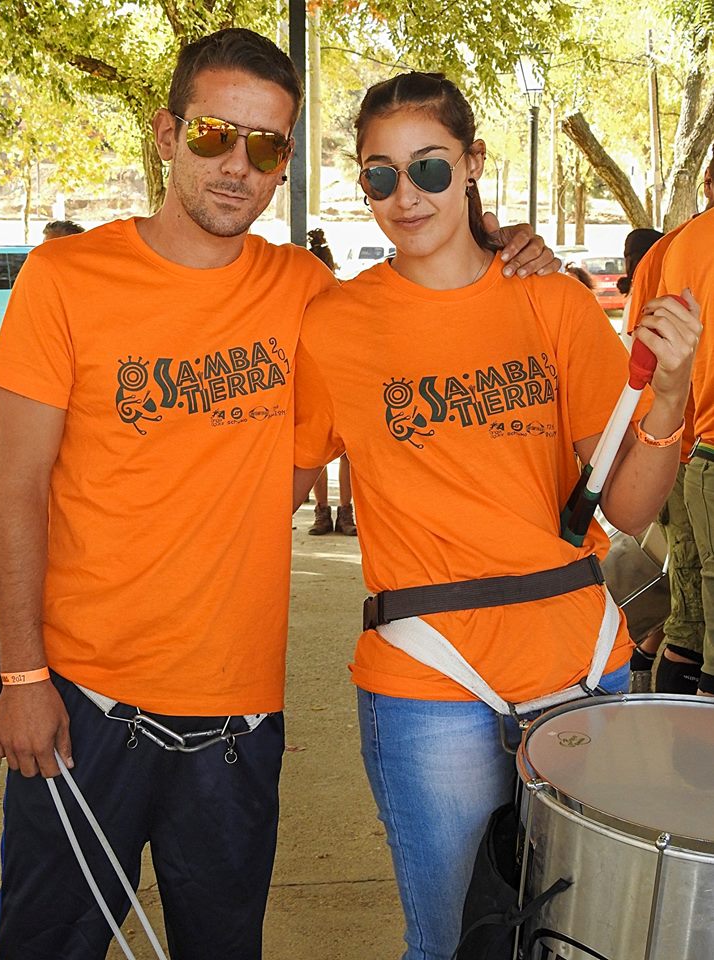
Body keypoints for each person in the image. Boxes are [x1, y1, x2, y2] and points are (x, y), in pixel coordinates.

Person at [0, 29, 557, 960]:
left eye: (267, 147)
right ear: (167, 133)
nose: (237, 167)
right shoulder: (67, 278)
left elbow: (426, 305)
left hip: (238, 719)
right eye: (215, 135)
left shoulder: (305, 291)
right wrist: (22, 677)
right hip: (81, 701)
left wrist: (509, 249)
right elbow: (15, 493)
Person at [292, 71, 700, 960]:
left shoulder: (551, 300)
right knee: (454, 943)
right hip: (429, 678)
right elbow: (268, 483)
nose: (407, 195)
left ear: (473, 163)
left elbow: (626, 507)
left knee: (579, 939)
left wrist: (670, 394)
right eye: (380, 176)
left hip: (582, 665)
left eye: (430, 168)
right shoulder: (332, 324)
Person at [661, 202, 714, 699]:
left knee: (691, 624)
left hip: (692, 454)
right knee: (693, 626)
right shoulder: (679, 245)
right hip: (692, 452)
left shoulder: (679, 245)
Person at [305, 228, 358, 536]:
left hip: (326, 382)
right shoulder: (341, 292)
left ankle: (324, 512)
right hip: (333, 382)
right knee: (331, 453)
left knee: (317, 454)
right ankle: (340, 512)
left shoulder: (337, 293)